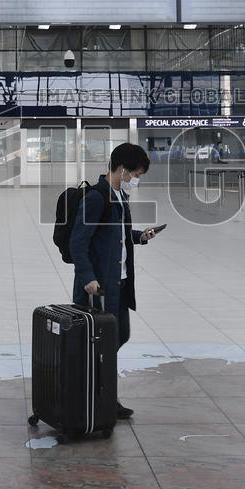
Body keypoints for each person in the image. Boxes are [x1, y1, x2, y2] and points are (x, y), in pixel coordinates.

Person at [70, 142, 159, 420]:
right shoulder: (97, 198)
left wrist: (139, 236)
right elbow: (78, 242)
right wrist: (87, 277)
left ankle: (101, 393)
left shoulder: (119, 196)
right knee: (102, 343)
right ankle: (101, 398)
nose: (136, 179)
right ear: (122, 169)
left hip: (119, 282)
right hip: (99, 287)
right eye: (136, 173)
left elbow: (116, 234)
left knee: (120, 336)